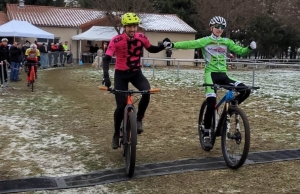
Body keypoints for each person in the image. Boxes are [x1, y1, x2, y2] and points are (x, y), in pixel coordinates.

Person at [163, 16, 257, 148]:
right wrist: (172, 45)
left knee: (246, 90)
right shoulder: (206, 41)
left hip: (224, 76)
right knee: (211, 102)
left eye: (222, 27)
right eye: (217, 26)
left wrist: (249, 48)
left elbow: (240, 51)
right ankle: (206, 133)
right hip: (210, 75)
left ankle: (231, 108)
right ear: (211, 28)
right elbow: (189, 44)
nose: (220, 29)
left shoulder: (227, 41)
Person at [102, 12, 170, 149]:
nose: (133, 29)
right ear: (124, 26)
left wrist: (163, 45)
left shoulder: (142, 37)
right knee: (121, 107)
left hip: (136, 73)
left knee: (146, 92)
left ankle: (138, 119)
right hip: (120, 75)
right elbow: (106, 58)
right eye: (129, 26)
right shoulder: (116, 40)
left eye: (135, 26)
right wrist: (106, 76)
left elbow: (152, 48)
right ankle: (116, 134)